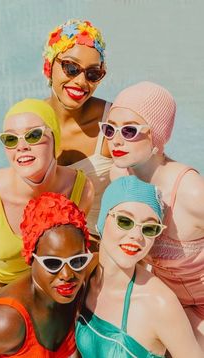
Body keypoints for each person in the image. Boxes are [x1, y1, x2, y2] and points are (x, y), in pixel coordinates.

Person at [100, 81, 204, 348]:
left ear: (157, 135)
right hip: (169, 301)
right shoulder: (120, 175)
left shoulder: (191, 192)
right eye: (109, 129)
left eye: (130, 131)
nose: (116, 140)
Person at [0, 98, 94, 318]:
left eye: (33, 135)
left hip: (34, 281)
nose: (21, 146)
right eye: (10, 139)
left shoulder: (80, 191)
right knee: (6, 321)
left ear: (55, 139)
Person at [76, 176, 203, 357]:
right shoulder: (81, 274)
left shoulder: (159, 303)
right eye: (125, 221)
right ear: (102, 221)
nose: (137, 235)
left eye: (149, 228)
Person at [0, 191, 96, 357]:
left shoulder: (79, 288)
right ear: (30, 257)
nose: (67, 274)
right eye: (53, 263)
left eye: (77, 261)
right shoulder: (6, 321)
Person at [43, 19, 113, 236]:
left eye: (93, 74)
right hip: (48, 249)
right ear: (49, 65)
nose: (82, 82)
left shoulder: (112, 124)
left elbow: (156, 170)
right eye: (71, 68)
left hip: (106, 245)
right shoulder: (30, 121)